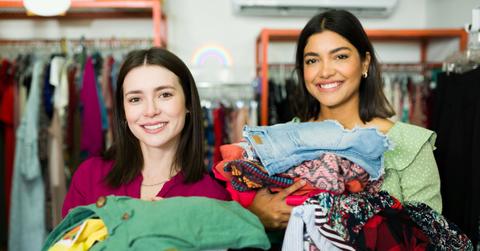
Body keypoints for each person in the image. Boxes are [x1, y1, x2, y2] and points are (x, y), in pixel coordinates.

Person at [248, 9, 442, 230]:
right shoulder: (279, 138)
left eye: (340, 56)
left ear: (365, 62)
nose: (325, 71)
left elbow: (431, 234)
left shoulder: (409, 144)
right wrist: (256, 217)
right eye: (312, 60)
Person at [62, 47, 230, 217]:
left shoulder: (214, 199)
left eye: (164, 95)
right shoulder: (89, 177)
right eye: (135, 99)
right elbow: (64, 243)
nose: (150, 111)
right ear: (123, 111)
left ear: (188, 103)